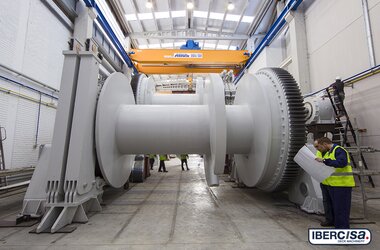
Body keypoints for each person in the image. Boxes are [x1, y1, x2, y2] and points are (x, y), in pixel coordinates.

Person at [314, 137, 355, 229]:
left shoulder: (339, 150)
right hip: (329, 183)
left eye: (319, 147)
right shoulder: (325, 152)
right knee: (332, 206)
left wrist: (324, 161)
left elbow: (342, 163)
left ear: (325, 144)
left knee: (341, 208)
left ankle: (342, 230)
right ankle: (333, 222)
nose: (317, 149)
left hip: (342, 184)